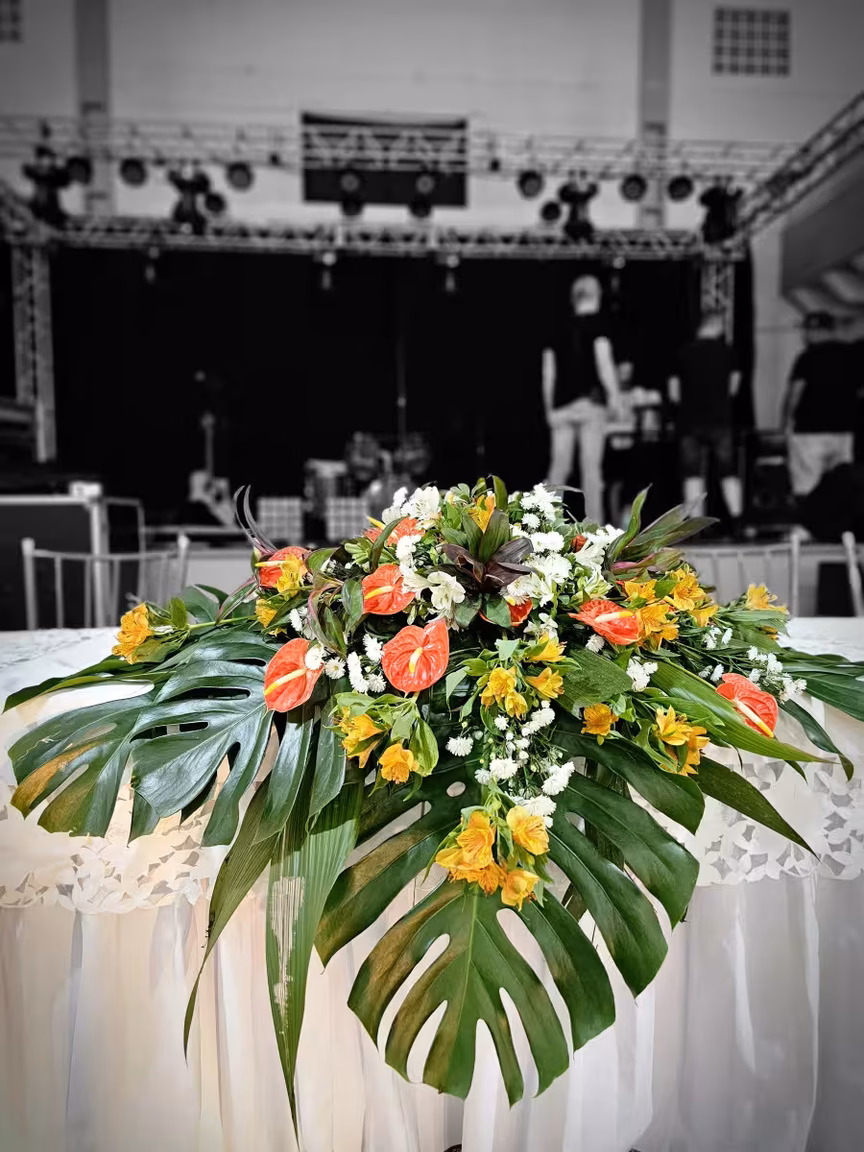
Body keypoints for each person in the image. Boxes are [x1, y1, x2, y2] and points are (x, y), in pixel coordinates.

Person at [542, 275, 622, 522]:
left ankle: (545, 523)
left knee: (559, 468)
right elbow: (604, 363)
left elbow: (548, 371)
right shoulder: (599, 325)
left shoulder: (556, 328)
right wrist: (615, 397)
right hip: (590, 405)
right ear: (596, 295)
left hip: (561, 408)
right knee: (590, 470)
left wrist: (549, 408)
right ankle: (593, 527)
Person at [668, 308, 743, 524]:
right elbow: (733, 389)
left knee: (692, 473)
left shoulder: (683, 353)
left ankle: (696, 524)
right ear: (718, 325)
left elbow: (674, 393)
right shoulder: (729, 353)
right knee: (728, 471)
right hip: (720, 420)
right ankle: (736, 519)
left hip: (689, 421)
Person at [784, 312, 856, 498]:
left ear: (813, 331)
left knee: (807, 485)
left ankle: (808, 516)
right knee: (842, 487)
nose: (804, 336)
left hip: (809, 431)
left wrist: (787, 422)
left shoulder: (807, 357)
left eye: (806, 331)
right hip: (845, 430)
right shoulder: (853, 355)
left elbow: (795, 394)